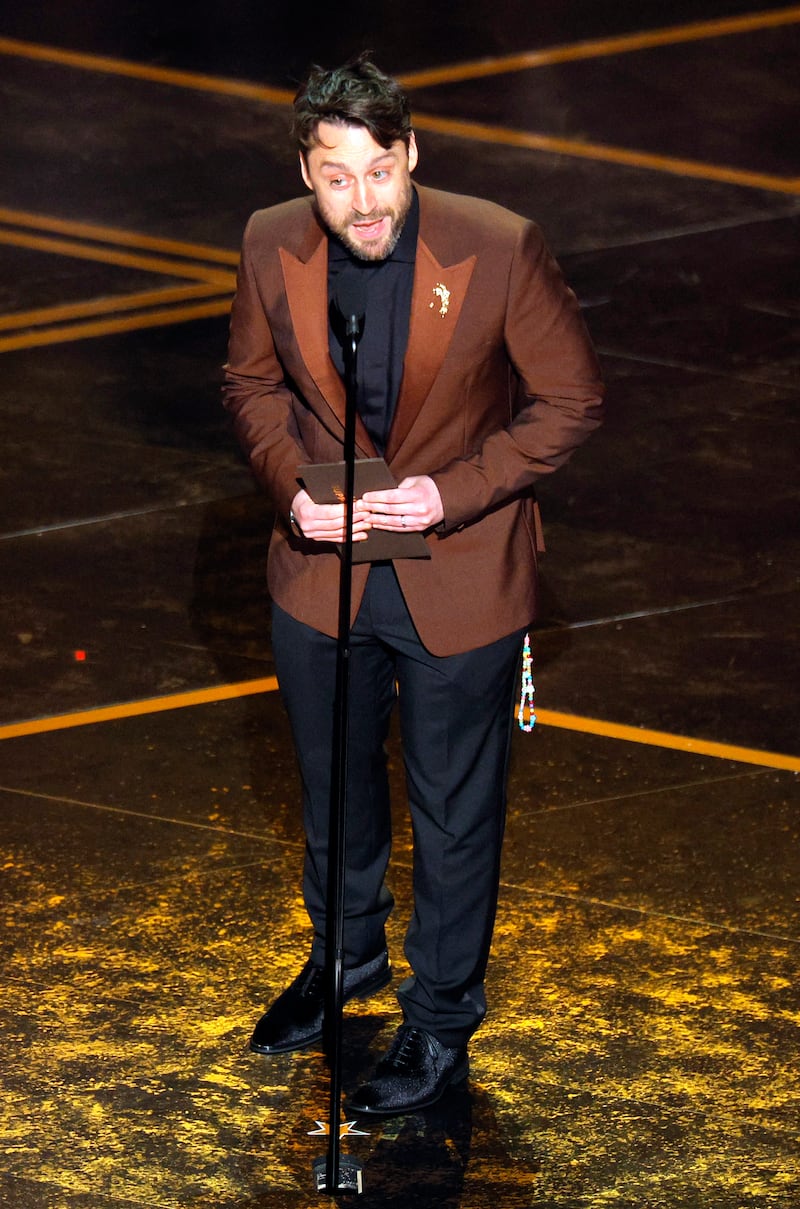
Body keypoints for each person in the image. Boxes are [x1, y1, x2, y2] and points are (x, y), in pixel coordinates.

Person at [223, 53, 604, 1117]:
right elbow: (250, 384)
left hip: (459, 571)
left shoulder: (498, 244)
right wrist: (289, 488)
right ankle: (345, 960)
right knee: (332, 789)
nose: (364, 202)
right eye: (338, 178)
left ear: (412, 156)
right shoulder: (268, 241)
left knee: (452, 811)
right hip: (322, 570)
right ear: (306, 173)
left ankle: (438, 1019)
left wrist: (453, 492)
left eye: (380, 172)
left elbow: (570, 399)